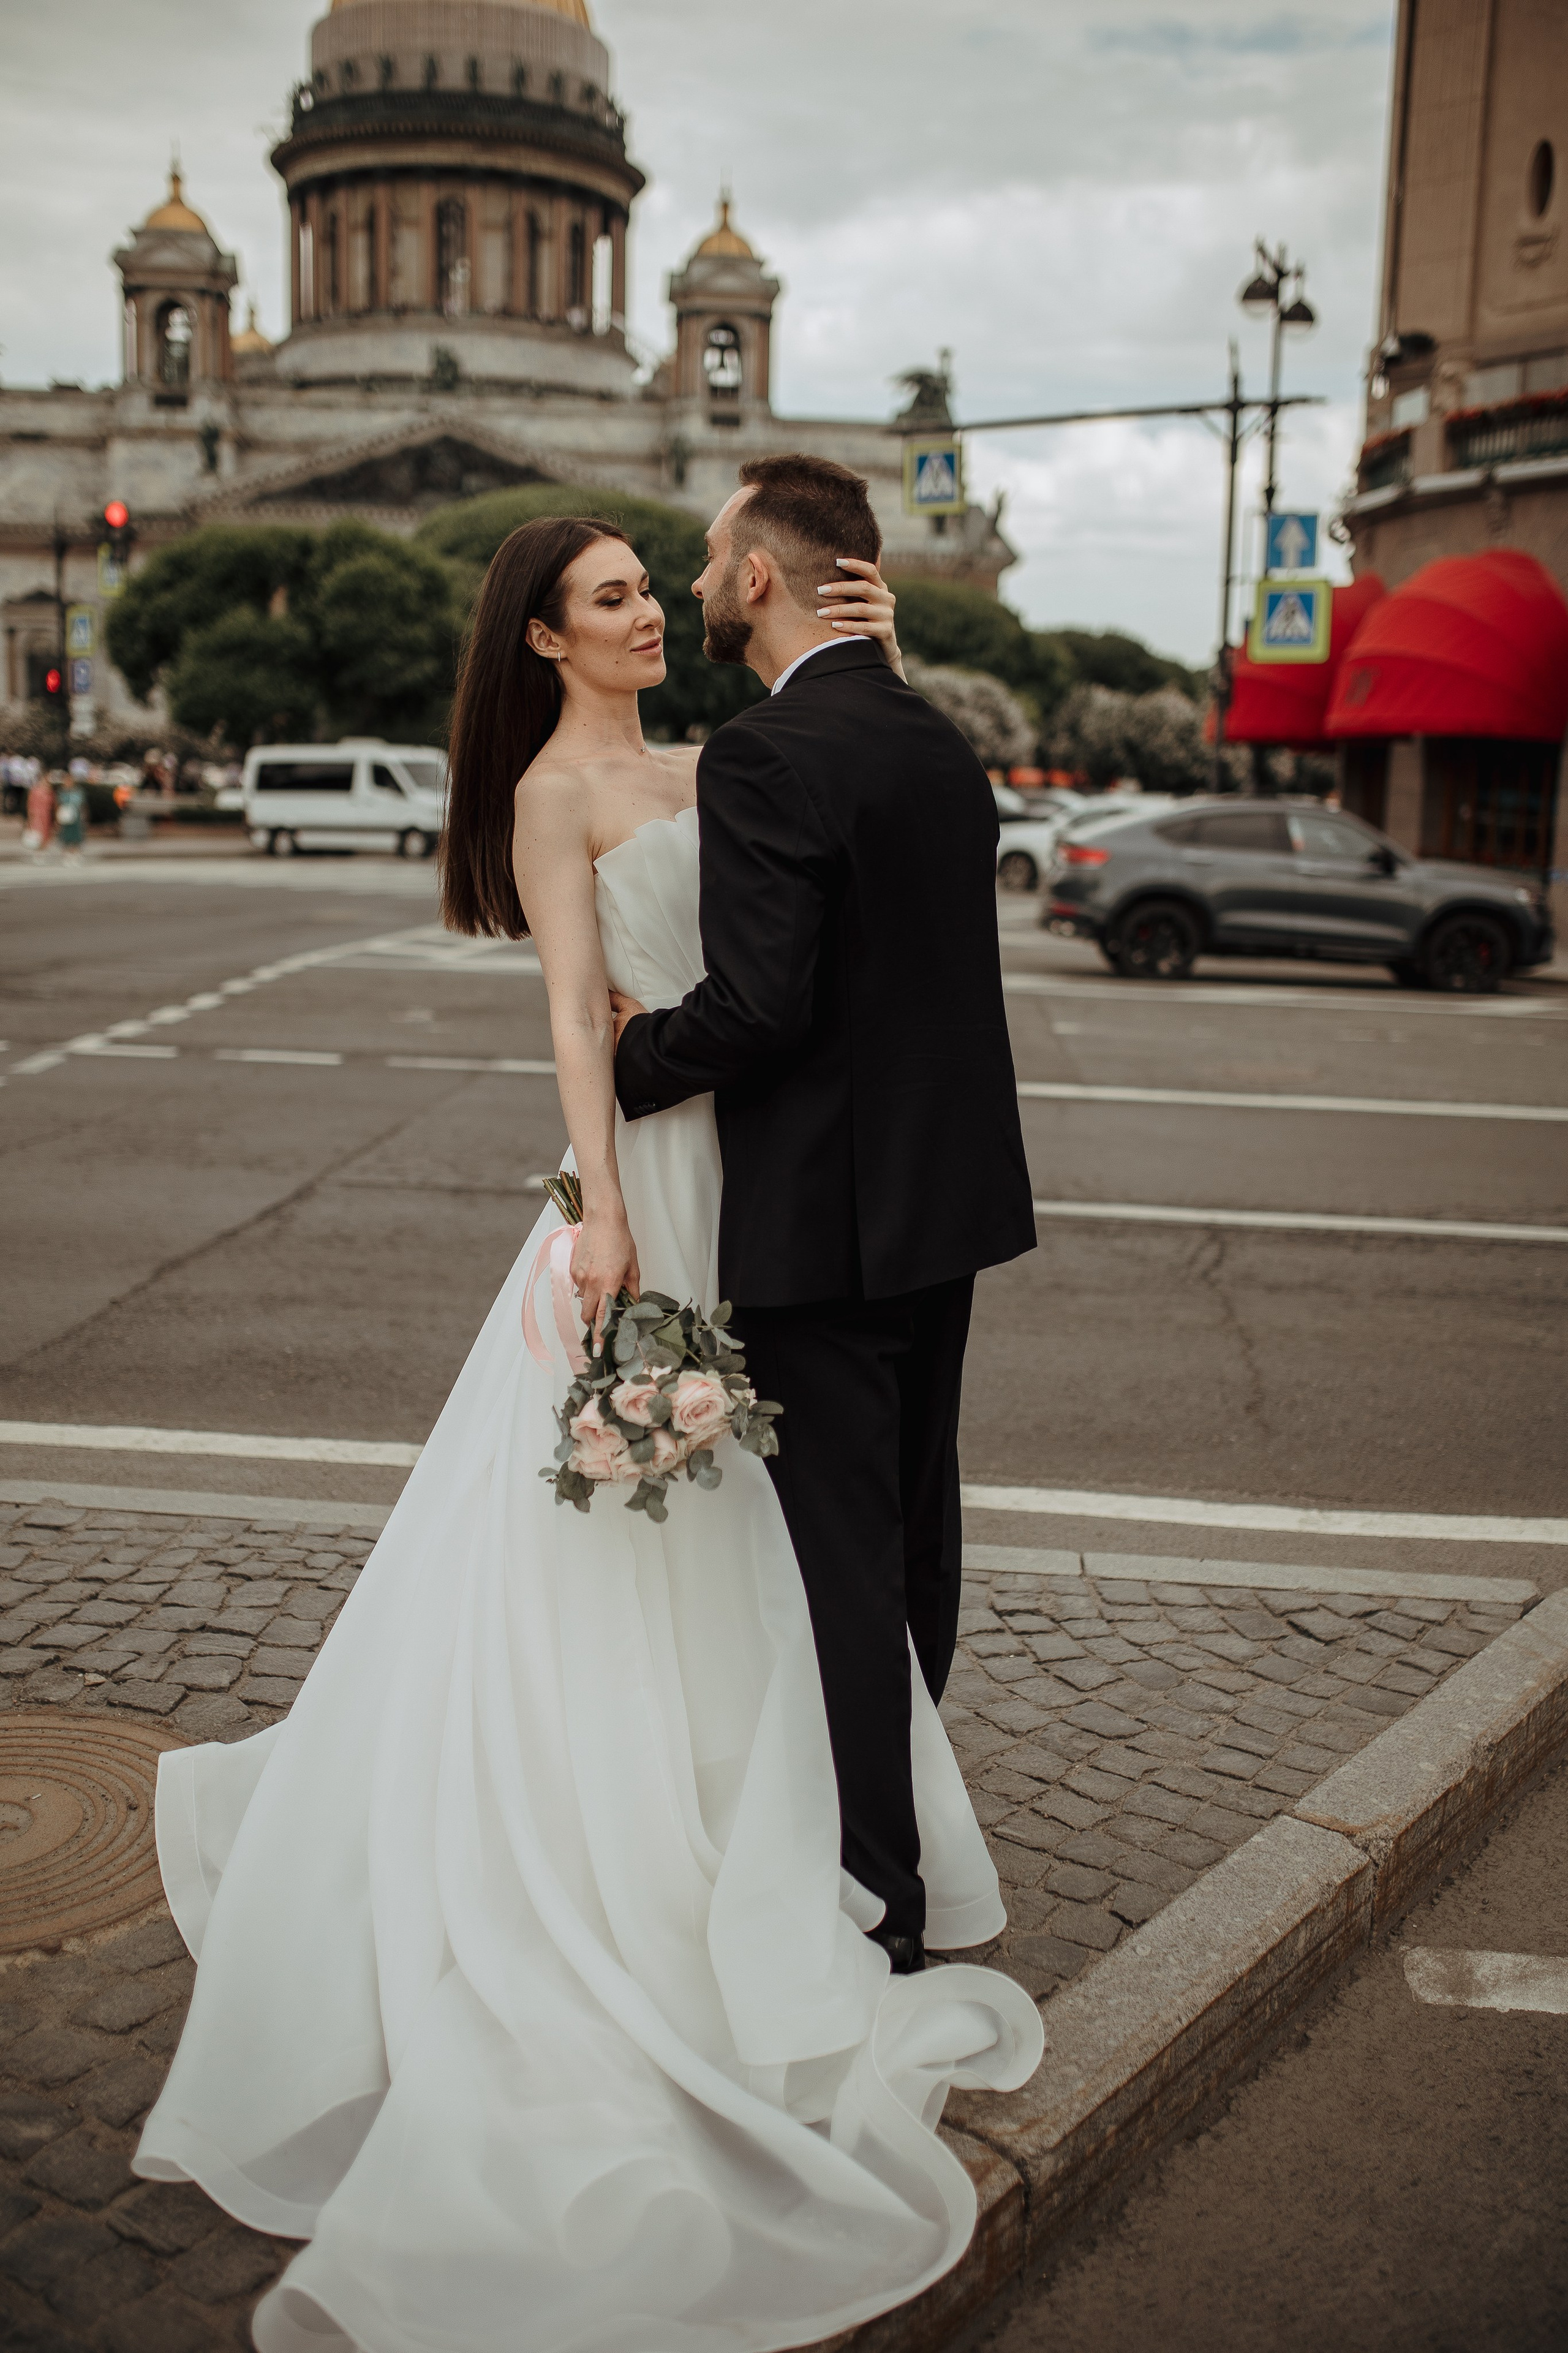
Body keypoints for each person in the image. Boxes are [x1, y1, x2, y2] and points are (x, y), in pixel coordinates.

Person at [133, 496, 1041, 2353]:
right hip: (663, 1185)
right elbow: (570, 1016)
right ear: (543, 636)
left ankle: (791, 1841)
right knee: (653, 1532)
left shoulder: (738, 748)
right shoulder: (557, 793)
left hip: (773, 1181)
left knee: (779, 1540)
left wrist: (889, 658)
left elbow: (845, 814)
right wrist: (604, 1209)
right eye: (612, 596)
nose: (649, 610)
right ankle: (660, 1864)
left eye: (657, 582)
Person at [610, 456, 1038, 1972]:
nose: (697, 576)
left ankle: (875, 1897)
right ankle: (903, 1808)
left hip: (825, 1222)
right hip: (947, 1205)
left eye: (715, 554)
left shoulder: (761, 753)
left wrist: (629, 1048)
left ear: (763, 578)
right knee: (917, 1540)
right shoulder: (934, 731)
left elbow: (762, 1007)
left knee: (838, 1562)